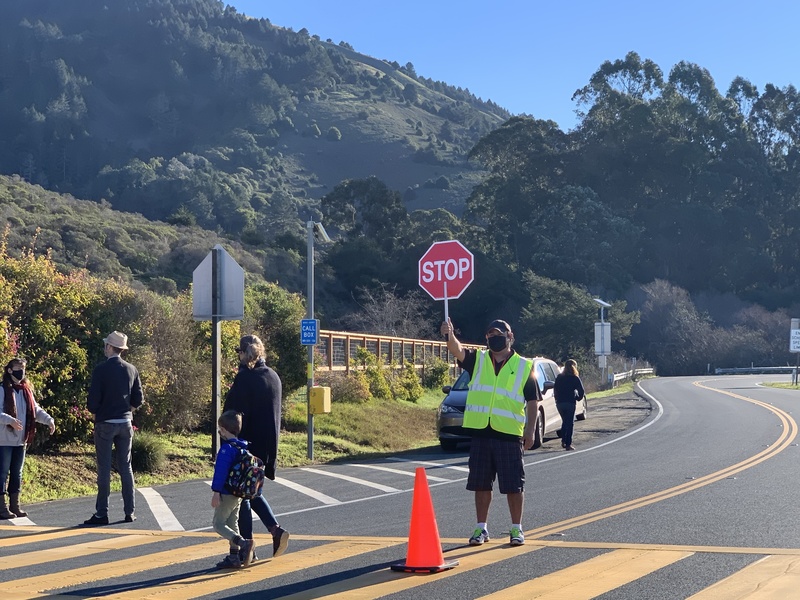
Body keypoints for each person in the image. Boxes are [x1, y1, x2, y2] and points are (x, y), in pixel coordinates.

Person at [441, 318, 541, 547]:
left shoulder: (524, 366)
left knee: (514, 485)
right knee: (481, 484)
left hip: (509, 434)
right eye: (490, 335)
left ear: (510, 337)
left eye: (499, 334)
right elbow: (456, 350)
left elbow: (533, 401)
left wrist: (530, 431)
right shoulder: (479, 360)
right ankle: (481, 528)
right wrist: (449, 334)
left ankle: (516, 529)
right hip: (481, 433)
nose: (494, 338)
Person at [223, 334, 289, 562]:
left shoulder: (246, 379)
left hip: (246, 447)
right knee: (252, 492)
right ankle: (275, 530)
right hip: (267, 446)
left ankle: (246, 548)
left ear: (243, 354)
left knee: (242, 495)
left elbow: (232, 414)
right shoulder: (273, 376)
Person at [83, 331, 144, 526]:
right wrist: (127, 411)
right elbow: (138, 399)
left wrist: (96, 413)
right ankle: (130, 511)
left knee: (104, 468)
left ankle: (102, 513)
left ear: (110, 347)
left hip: (105, 423)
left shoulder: (101, 370)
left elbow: (92, 402)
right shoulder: (131, 369)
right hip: (125, 423)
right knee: (126, 467)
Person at [0, 358, 55, 519]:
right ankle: (2, 507)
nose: (21, 371)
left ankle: (15, 506)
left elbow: (35, 410)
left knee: (17, 473)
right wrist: (9, 420)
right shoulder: (2, 389)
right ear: (9, 370)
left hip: (21, 440)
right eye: (18, 368)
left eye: (23, 368)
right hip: (4, 440)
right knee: (2, 472)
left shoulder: (26, 390)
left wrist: (49, 420)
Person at [211, 410, 255, 568]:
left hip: (226, 492)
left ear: (222, 429)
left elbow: (220, 472)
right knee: (232, 522)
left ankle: (243, 544)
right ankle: (234, 556)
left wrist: (216, 492)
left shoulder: (226, 450)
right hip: (239, 493)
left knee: (218, 524)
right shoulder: (242, 447)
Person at [553, 359, 585, 452]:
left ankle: (563, 439)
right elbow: (581, 391)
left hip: (560, 403)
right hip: (570, 402)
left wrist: (557, 399)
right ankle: (568, 444)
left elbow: (555, 389)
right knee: (570, 423)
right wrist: (578, 398)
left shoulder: (559, 377)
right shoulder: (575, 378)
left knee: (564, 421)